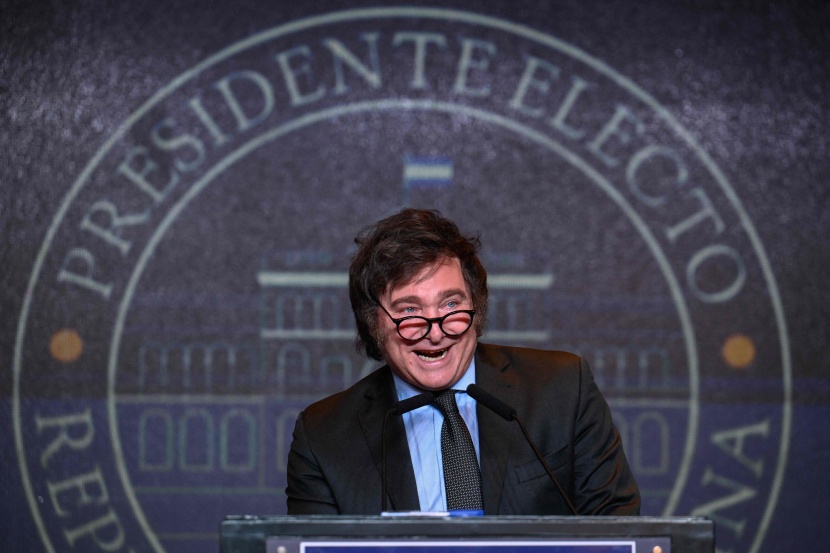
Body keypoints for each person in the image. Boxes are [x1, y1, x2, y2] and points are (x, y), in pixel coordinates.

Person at [286, 208, 640, 516]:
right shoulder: (322, 437)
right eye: (409, 310)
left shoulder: (563, 389)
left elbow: (618, 529)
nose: (435, 332)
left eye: (451, 305)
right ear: (373, 323)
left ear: (477, 308)